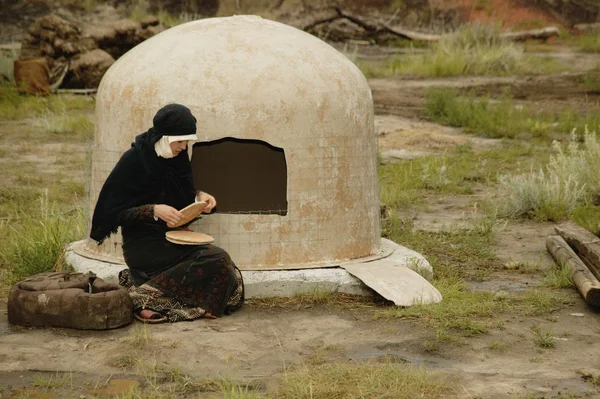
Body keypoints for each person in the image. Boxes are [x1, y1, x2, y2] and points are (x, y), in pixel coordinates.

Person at [90, 103, 244, 323]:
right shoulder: (133, 161)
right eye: (179, 141)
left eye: (187, 141)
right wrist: (153, 210)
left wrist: (199, 198)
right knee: (218, 259)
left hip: (175, 238)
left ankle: (150, 291)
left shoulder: (178, 159)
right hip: (144, 245)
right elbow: (113, 213)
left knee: (231, 274)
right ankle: (142, 298)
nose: (183, 147)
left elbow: (183, 195)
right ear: (163, 137)